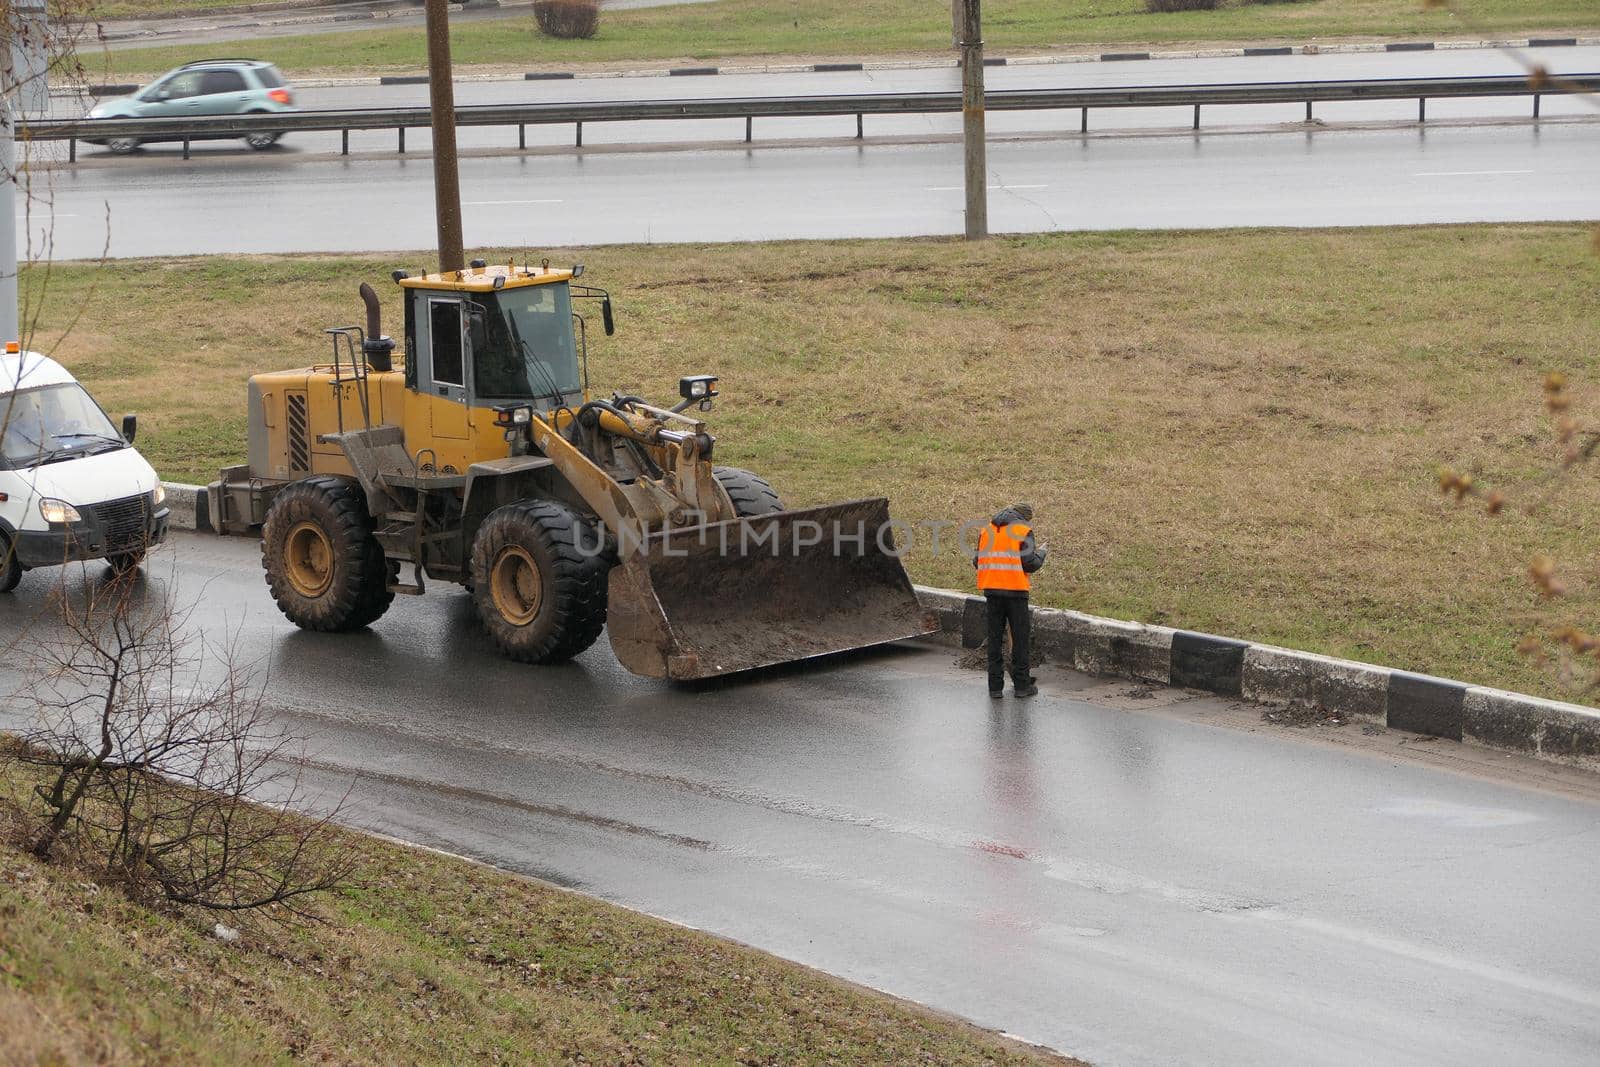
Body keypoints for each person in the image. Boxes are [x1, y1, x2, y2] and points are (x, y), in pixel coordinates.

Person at [974, 503, 1047, 698]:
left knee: (995, 640)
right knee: (1020, 640)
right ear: (1024, 518)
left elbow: (977, 561)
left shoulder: (987, 530)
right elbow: (1029, 563)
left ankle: (995, 688)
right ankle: (1022, 686)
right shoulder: (1024, 530)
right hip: (1015, 593)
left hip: (991, 592)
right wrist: (1041, 554)